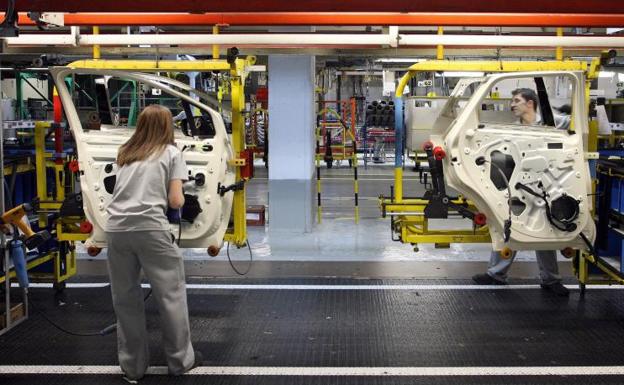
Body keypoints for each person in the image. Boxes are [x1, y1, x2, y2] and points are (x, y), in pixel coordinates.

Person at [106, 104, 202, 383]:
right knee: (170, 297)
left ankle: (133, 368)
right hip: (151, 229)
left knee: (125, 300)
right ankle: (180, 362)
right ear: (167, 126)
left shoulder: (126, 153)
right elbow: (175, 201)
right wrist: (182, 199)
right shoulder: (172, 153)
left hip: (116, 229)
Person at [472, 88, 569, 296]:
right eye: (512, 101)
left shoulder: (554, 122)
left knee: (545, 231)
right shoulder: (513, 130)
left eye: (516, 100)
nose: (512, 105)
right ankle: (495, 274)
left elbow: (579, 130)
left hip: (549, 185)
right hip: (521, 186)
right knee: (508, 226)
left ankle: (551, 280)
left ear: (530, 103)